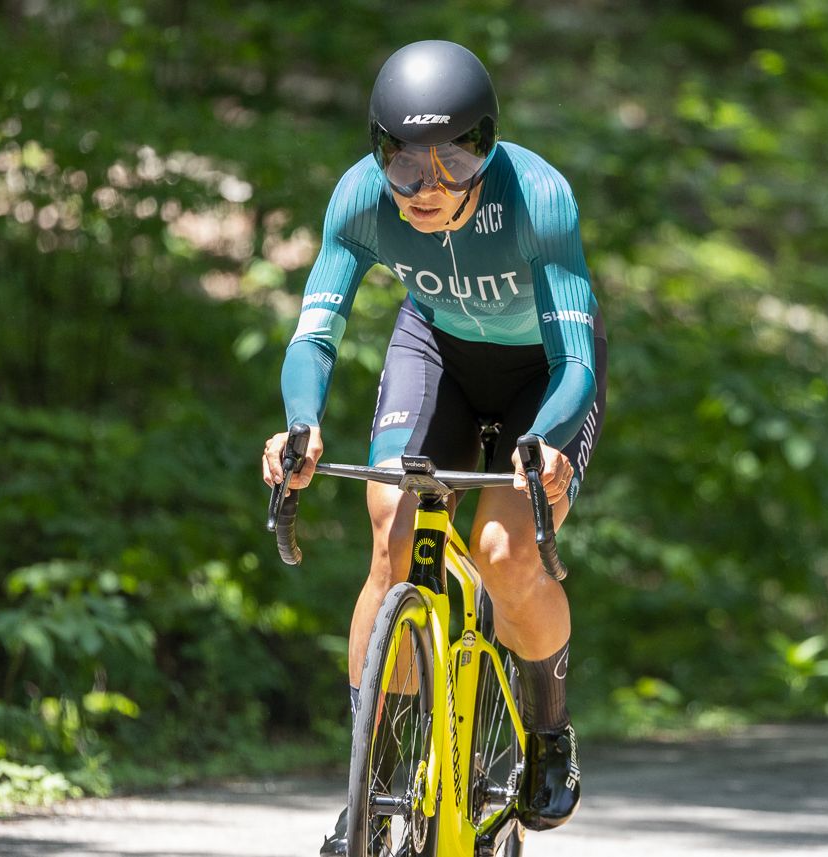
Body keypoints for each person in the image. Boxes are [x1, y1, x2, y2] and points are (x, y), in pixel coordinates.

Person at [261, 39, 607, 855]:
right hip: (436, 352)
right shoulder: (358, 201)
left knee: (501, 548)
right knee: (389, 532)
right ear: (377, 150)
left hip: (542, 374)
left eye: (456, 157)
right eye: (405, 164)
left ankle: (548, 732)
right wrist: (300, 424)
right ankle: (373, 781)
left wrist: (547, 441)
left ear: (488, 143)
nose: (430, 187)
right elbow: (316, 334)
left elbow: (577, 363)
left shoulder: (538, 197)